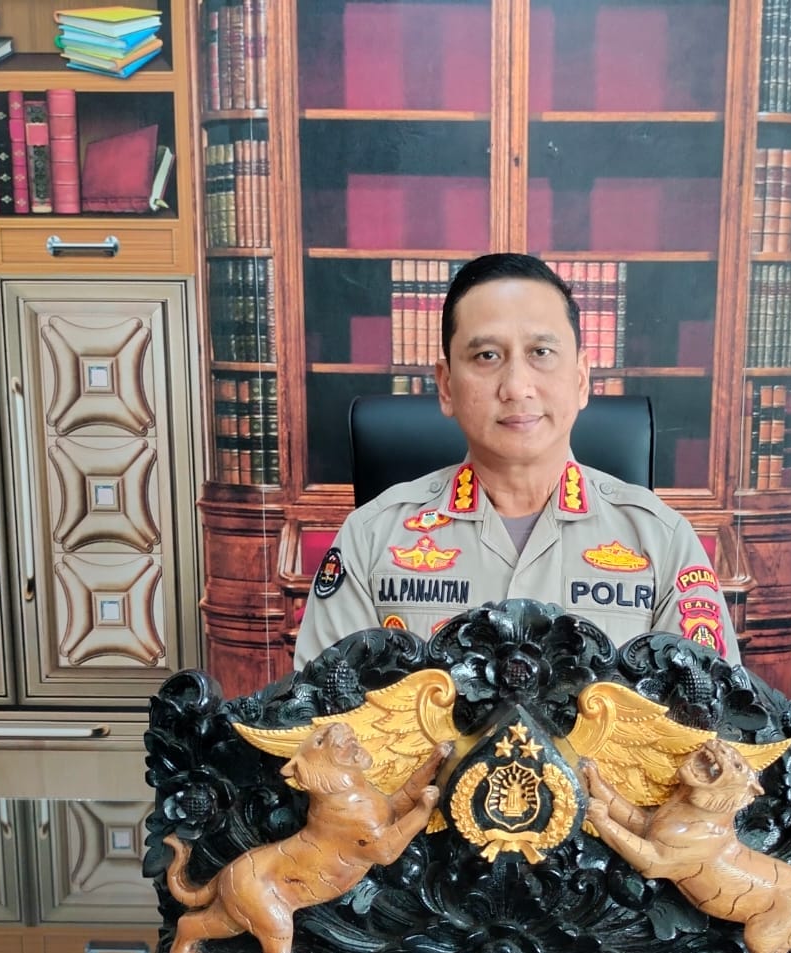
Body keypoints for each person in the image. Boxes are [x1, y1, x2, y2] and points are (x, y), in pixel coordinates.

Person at [293, 253, 739, 668]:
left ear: (581, 379)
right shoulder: (370, 540)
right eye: (487, 356)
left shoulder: (662, 543)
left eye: (541, 353)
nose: (516, 387)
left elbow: (708, 714)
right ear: (446, 386)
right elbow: (321, 713)